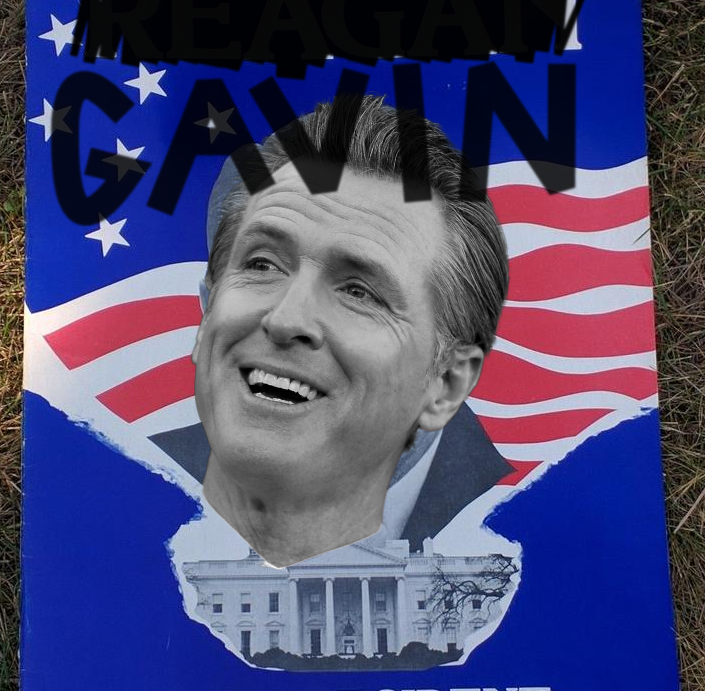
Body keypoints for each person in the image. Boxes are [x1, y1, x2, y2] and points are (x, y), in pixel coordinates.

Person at [155, 94, 511, 566]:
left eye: (358, 292)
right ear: (206, 314)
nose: (286, 319)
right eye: (262, 264)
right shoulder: (115, 485)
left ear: (445, 382)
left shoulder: (516, 521)